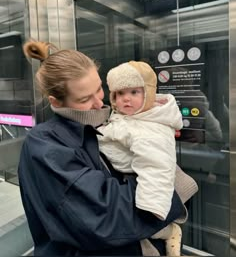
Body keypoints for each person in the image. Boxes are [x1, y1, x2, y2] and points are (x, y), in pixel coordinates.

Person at [18, 40, 186, 257]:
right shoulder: (45, 145)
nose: (99, 103)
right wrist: (174, 185)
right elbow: (104, 217)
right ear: (56, 102)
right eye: (85, 98)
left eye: (99, 89)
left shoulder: (107, 122)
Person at [97, 61, 195, 256]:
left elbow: (156, 166)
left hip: (141, 182)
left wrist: (152, 206)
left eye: (134, 92)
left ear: (148, 93)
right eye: (119, 94)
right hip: (126, 176)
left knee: (149, 228)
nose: (126, 99)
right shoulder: (130, 115)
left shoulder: (151, 127)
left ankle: (171, 233)